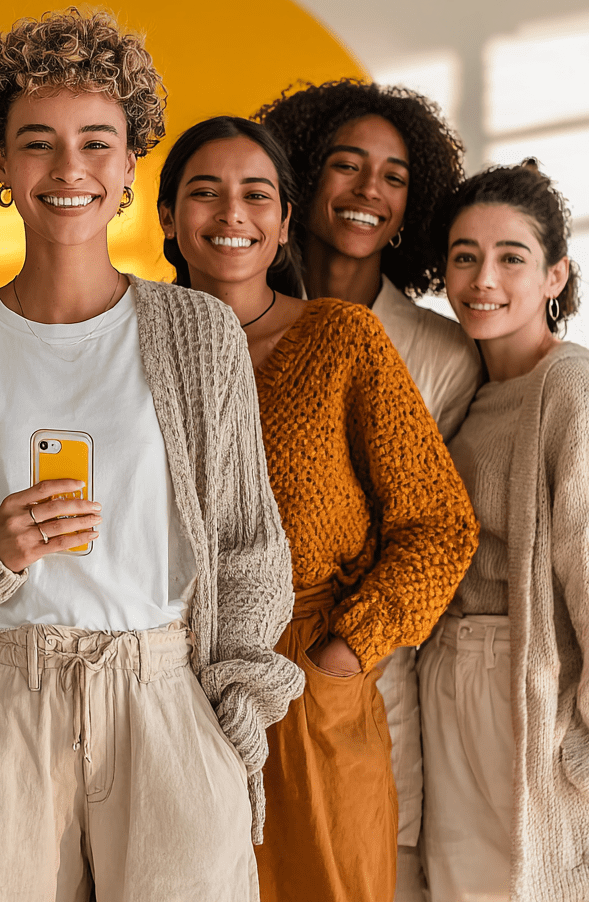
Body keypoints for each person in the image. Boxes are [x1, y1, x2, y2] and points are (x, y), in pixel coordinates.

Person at [0, 10, 303, 902]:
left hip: (168, 699)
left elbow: (253, 546)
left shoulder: (200, 335)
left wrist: (233, 717)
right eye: (38, 143)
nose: (68, 169)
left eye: (97, 142)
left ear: (130, 165)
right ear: (5, 170)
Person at [157, 115, 478, 902]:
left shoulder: (342, 340)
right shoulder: (129, 344)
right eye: (205, 192)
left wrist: (344, 654)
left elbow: (438, 524)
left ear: (284, 221)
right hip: (160, 682)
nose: (232, 215)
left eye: (256, 194)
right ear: (166, 217)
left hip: (307, 685)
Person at [258, 80, 483, 900]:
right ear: (301, 179)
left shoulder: (444, 354)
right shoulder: (222, 319)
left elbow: (436, 525)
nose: (368, 192)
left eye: (393, 177)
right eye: (346, 167)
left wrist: (345, 655)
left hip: (358, 664)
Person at [421, 161, 589, 902]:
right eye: (465, 256)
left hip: (523, 677)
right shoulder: (470, 388)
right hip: (448, 676)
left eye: (510, 257)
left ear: (555, 276)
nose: (482, 277)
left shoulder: (570, 388)